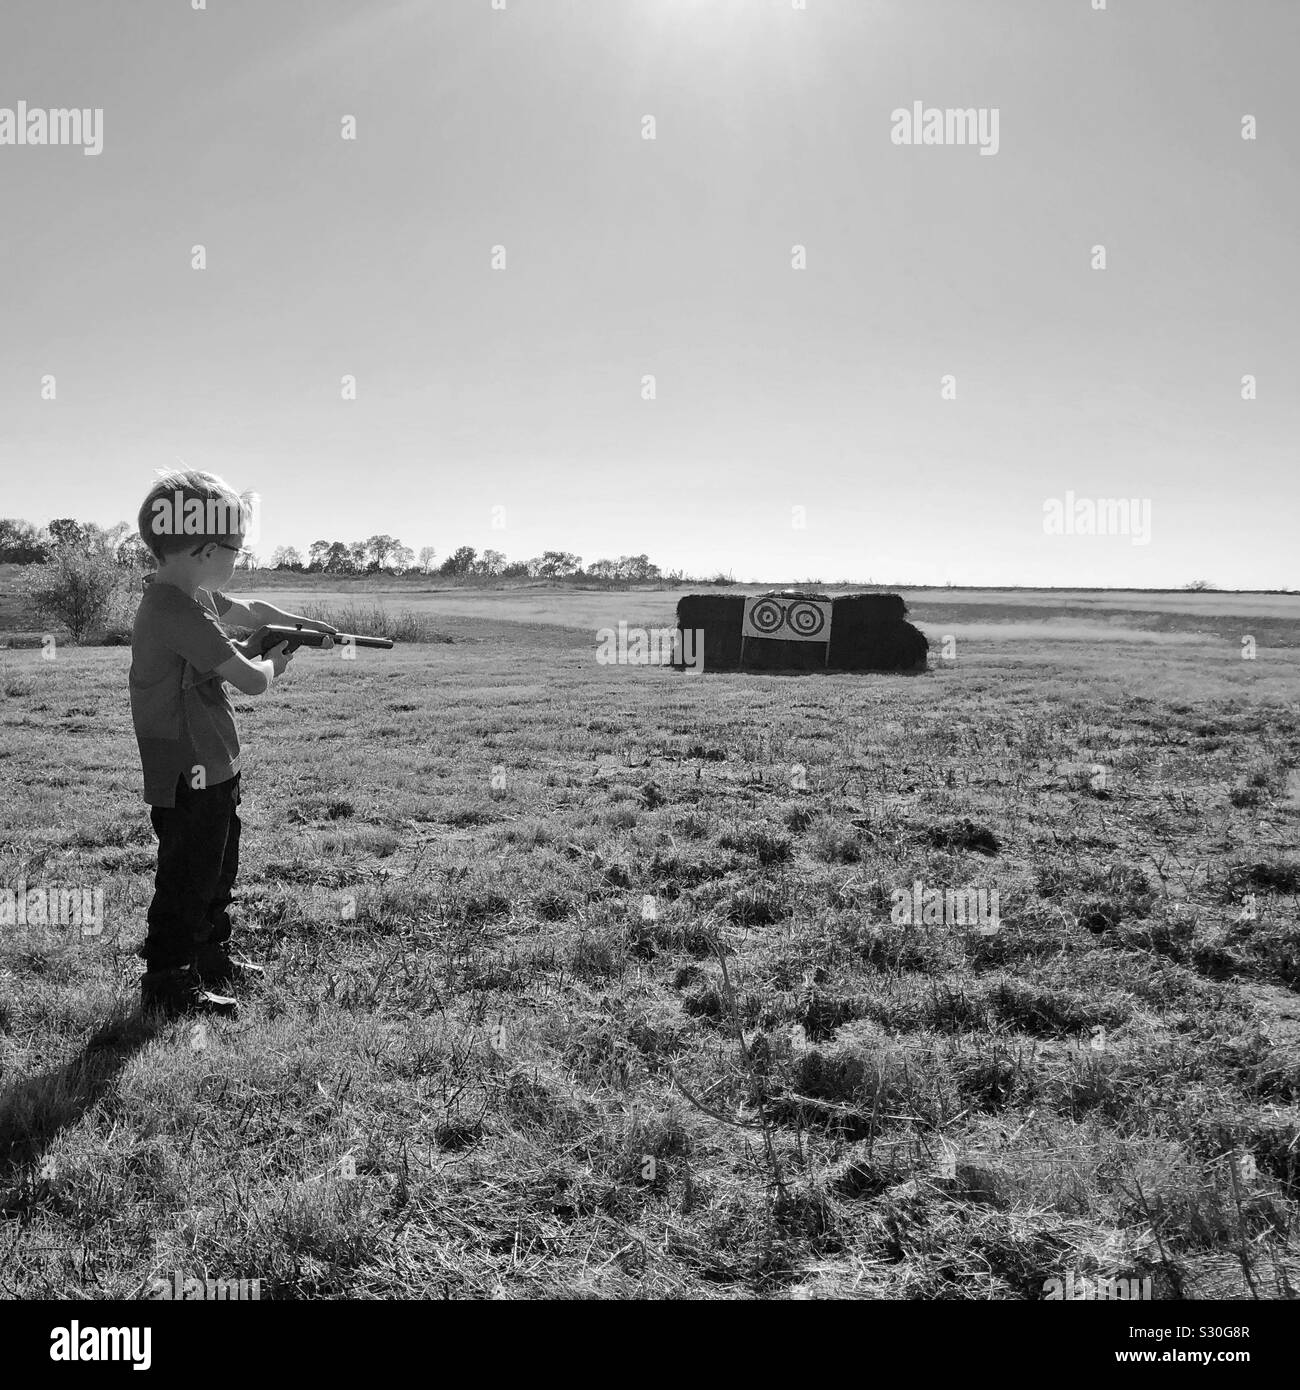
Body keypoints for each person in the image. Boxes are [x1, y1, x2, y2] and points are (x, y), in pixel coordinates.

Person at [128, 469, 337, 1018]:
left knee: (217, 868)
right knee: (188, 877)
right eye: (237, 551)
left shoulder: (191, 596)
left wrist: (306, 625)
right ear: (202, 548)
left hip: (215, 764)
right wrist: (277, 660)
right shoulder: (177, 610)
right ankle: (169, 982)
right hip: (187, 767)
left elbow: (256, 614)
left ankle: (210, 955)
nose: (239, 562)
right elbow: (251, 678)